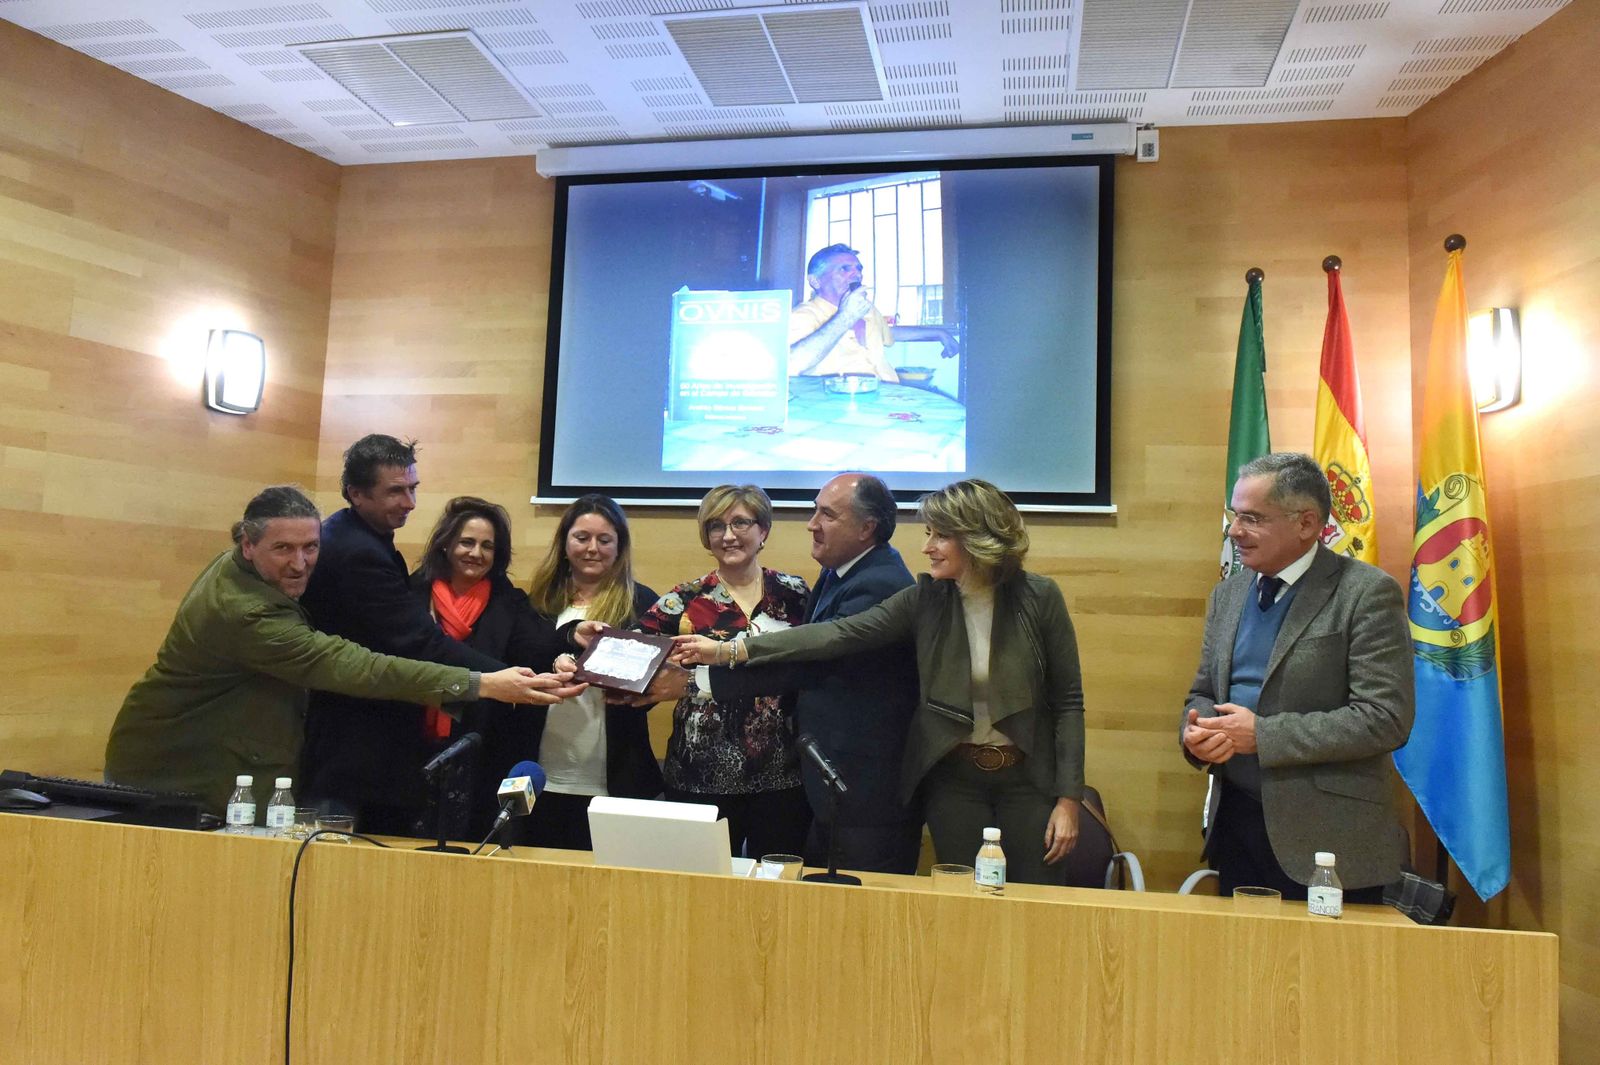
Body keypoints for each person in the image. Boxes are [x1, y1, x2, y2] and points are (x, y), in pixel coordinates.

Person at [673, 479, 1085, 886]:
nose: (927, 547)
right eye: (929, 533)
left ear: (979, 538)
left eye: (941, 536)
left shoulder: (1040, 597)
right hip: (954, 780)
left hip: (1028, 779)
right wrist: (729, 651)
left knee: (1038, 898)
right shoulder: (927, 597)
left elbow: (1067, 702)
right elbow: (840, 633)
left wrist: (1069, 799)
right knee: (964, 900)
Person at [104, 486, 571, 819]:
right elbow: (357, 667)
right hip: (178, 769)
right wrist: (483, 683)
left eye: (310, 547)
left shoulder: (239, 568)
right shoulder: (245, 615)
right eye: (283, 548)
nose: (300, 562)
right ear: (247, 545)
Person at [641, 473, 921, 873]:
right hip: (710, 774)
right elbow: (636, 647)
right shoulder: (834, 573)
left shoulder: (863, 584)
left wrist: (708, 668)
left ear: (866, 527)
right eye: (716, 526)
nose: (812, 523)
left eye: (826, 514)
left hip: (838, 780)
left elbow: (808, 660)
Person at [298, 434, 568, 838]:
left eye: (413, 488)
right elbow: (420, 642)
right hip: (352, 749)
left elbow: (537, 641)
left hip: (414, 757)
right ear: (356, 493)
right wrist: (500, 682)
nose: (409, 502)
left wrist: (571, 640)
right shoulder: (361, 552)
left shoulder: (367, 539)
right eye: (396, 491)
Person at [1181, 451, 1414, 902]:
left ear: (1306, 523)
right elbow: (1204, 691)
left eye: (1251, 518)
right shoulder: (1228, 594)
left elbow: (1385, 717)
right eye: (1234, 515)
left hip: (1329, 843)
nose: (1234, 531)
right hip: (1237, 827)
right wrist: (1197, 731)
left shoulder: (1366, 593)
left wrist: (1262, 736)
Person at [635, 484, 811, 859]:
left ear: (763, 530)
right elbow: (632, 652)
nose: (728, 535)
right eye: (716, 526)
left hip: (782, 775)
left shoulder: (794, 593)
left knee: (778, 893)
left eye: (740, 523)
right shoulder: (685, 598)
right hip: (699, 775)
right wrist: (573, 657)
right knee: (699, 895)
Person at [409, 496, 573, 842]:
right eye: (467, 542)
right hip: (410, 745)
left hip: (482, 752)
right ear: (446, 543)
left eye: (488, 546)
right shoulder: (412, 593)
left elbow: (538, 650)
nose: (476, 553)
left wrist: (569, 640)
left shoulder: (510, 601)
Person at [520, 494, 663, 850]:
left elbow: (654, 689)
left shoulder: (643, 603)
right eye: (582, 537)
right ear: (565, 542)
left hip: (616, 776)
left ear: (619, 547)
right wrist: (559, 659)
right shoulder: (536, 601)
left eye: (604, 539)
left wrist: (614, 678)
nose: (592, 548)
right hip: (540, 775)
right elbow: (520, 656)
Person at [788, 244, 959, 383]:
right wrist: (846, 317)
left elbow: (885, 332)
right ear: (815, 281)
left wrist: (938, 332)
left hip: (887, 396)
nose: (857, 274)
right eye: (844, 269)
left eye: (858, 268)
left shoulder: (867, 310)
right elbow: (791, 365)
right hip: (834, 407)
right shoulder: (803, 316)